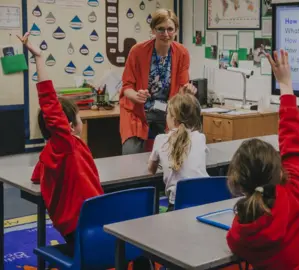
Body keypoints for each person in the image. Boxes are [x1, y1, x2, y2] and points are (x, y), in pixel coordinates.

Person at [226, 49, 299, 269]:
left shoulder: (242, 231)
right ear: (277, 167)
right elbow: (292, 137)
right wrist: (285, 84)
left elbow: (233, 243)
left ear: (238, 181)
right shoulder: (296, 187)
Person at [20, 32, 103, 255]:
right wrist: (39, 57)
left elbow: (38, 175)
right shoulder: (66, 144)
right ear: (68, 125)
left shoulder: (52, 152)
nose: (82, 121)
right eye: (79, 117)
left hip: (78, 224)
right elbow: (49, 101)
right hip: (84, 223)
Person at [120, 8, 197, 155]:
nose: (166, 34)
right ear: (153, 30)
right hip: (138, 111)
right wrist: (136, 95)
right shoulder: (137, 51)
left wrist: (187, 91)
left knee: (177, 151)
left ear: (176, 31)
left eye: (170, 29)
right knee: (131, 153)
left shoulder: (182, 53)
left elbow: (181, 90)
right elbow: (126, 87)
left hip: (168, 112)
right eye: (160, 29)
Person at [148, 93, 209, 211]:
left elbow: (151, 170)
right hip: (204, 202)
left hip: (177, 206)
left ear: (173, 119)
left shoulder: (161, 139)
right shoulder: (201, 138)